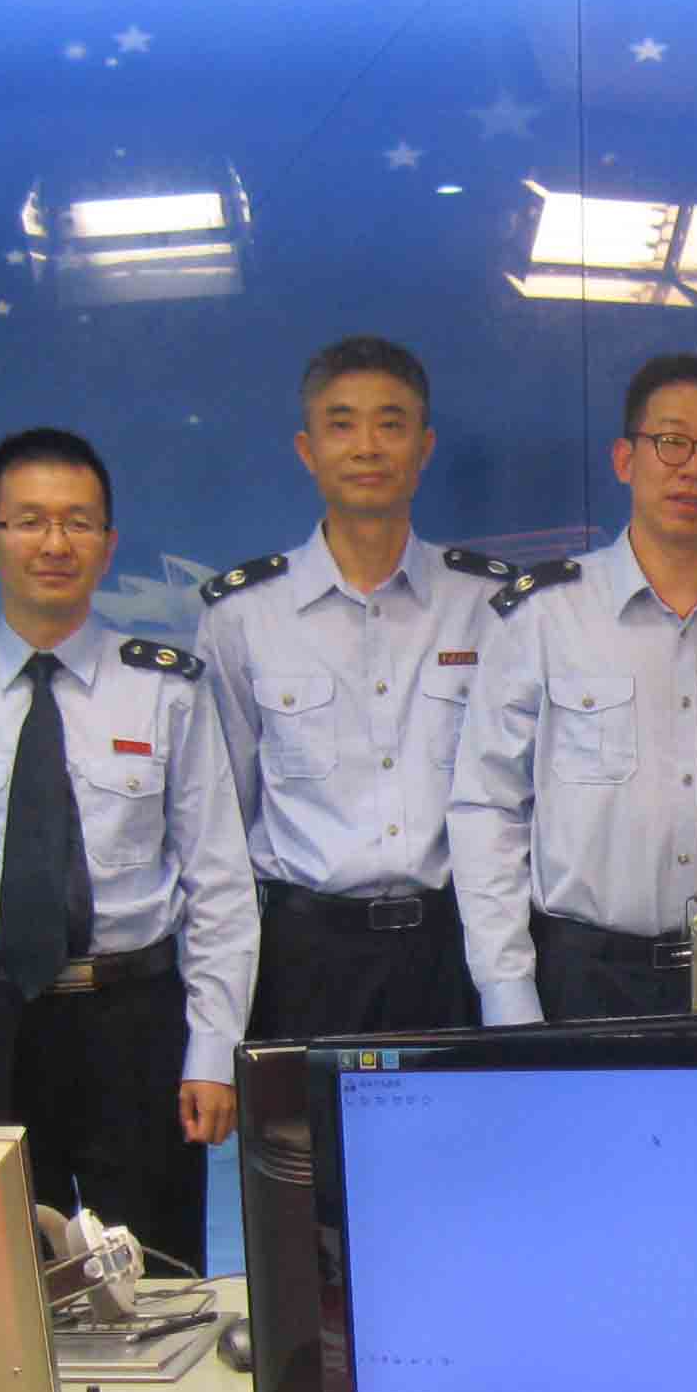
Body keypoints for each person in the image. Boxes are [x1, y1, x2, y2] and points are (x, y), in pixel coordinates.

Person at [0, 427, 257, 1273]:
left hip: (135, 1026)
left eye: (78, 523)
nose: (54, 544)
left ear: (108, 546)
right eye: (30, 522)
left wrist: (212, 1051)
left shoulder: (166, 688)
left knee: (157, 1282)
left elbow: (221, 884)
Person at [449, 353, 697, 1024]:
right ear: (625, 460)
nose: (694, 468)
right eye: (671, 441)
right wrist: (507, 990)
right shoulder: (544, 615)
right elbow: (489, 806)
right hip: (579, 973)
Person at [198, 337, 498, 1043]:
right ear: (307, 450)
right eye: (342, 424)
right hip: (304, 958)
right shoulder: (243, 615)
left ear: (424, 448)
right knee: (305, 1123)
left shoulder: (487, 605)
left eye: (390, 424)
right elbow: (219, 825)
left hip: (455, 950)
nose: (367, 447)